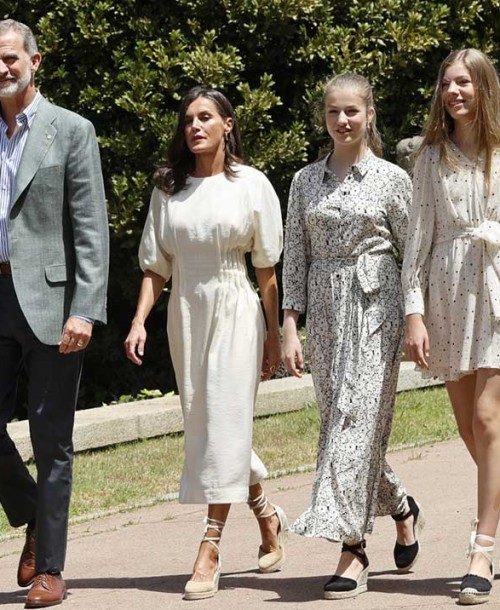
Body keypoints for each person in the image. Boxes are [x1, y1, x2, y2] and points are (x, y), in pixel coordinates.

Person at [124, 86, 286, 601]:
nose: (195, 126)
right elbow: (156, 264)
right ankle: (266, 515)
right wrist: (138, 321)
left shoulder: (251, 184)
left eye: (206, 117)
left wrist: (276, 337)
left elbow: (266, 269)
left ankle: (210, 546)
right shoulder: (168, 189)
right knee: (207, 422)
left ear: (228, 125)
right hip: (185, 312)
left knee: (225, 418)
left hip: (237, 308)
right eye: (188, 118)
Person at [281, 73, 423, 600]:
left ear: (370, 114)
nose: (343, 120)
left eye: (352, 111)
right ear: (325, 117)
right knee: (342, 426)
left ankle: (352, 545)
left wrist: (415, 317)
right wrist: (290, 327)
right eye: (334, 112)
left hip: (377, 306)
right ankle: (402, 505)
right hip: (323, 313)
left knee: (358, 425)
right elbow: (294, 255)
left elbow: (413, 256)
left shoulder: (392, 179)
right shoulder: (303, 182)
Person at [0, 19, 109, 609]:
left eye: (11, 57)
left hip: (51, 303)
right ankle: (31, 513)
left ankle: (51, 569)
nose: (2, 68)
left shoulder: (71, 131)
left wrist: (85, 309)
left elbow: (91, 228)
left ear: (34, 63)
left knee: (51, 438)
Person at [403, 49, 500, 606]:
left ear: (484, 87)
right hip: (446, 296)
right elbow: (416, 242)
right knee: (471, 428)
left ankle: (480, 550)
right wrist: (413, 313)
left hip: (495, 291)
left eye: (464, 82)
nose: (453, 91)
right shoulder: (430, 157)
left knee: (490, 418)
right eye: (446, 83)